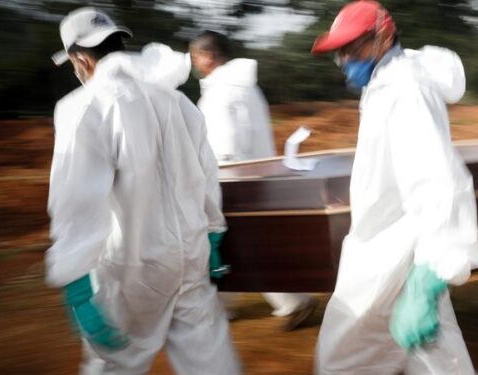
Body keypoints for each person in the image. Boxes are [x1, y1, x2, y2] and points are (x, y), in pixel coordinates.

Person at [45, 7, 240, 374]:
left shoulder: (84, 107)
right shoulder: (177, 101)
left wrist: (75, 281)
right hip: (191, 258)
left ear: (81, 59)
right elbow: (206, 174)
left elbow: (76, 200)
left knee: (115, 363)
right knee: (210, 360)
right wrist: (214, 234)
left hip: (133, 268)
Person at [310, 1, 478, 373]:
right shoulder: (386, 83)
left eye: (353, 47)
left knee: (340, 359)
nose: (344, 58)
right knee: (434, 352)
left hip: (394, 247)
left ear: (385, 36)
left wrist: (432, 273)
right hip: (392, 240)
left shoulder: (405, 89)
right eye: (340, 51)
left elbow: (439, 180)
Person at [186, 30, 318, 330]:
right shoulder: (245, 86)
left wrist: (214, 182)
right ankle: (228, 306)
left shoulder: (221, 92)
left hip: (231, 181)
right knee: (242, 245)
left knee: (236, 245)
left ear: (208, 56)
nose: (194, 63)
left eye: (195, 56)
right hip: (257, 176)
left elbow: (226, 146)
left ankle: (291, 301)